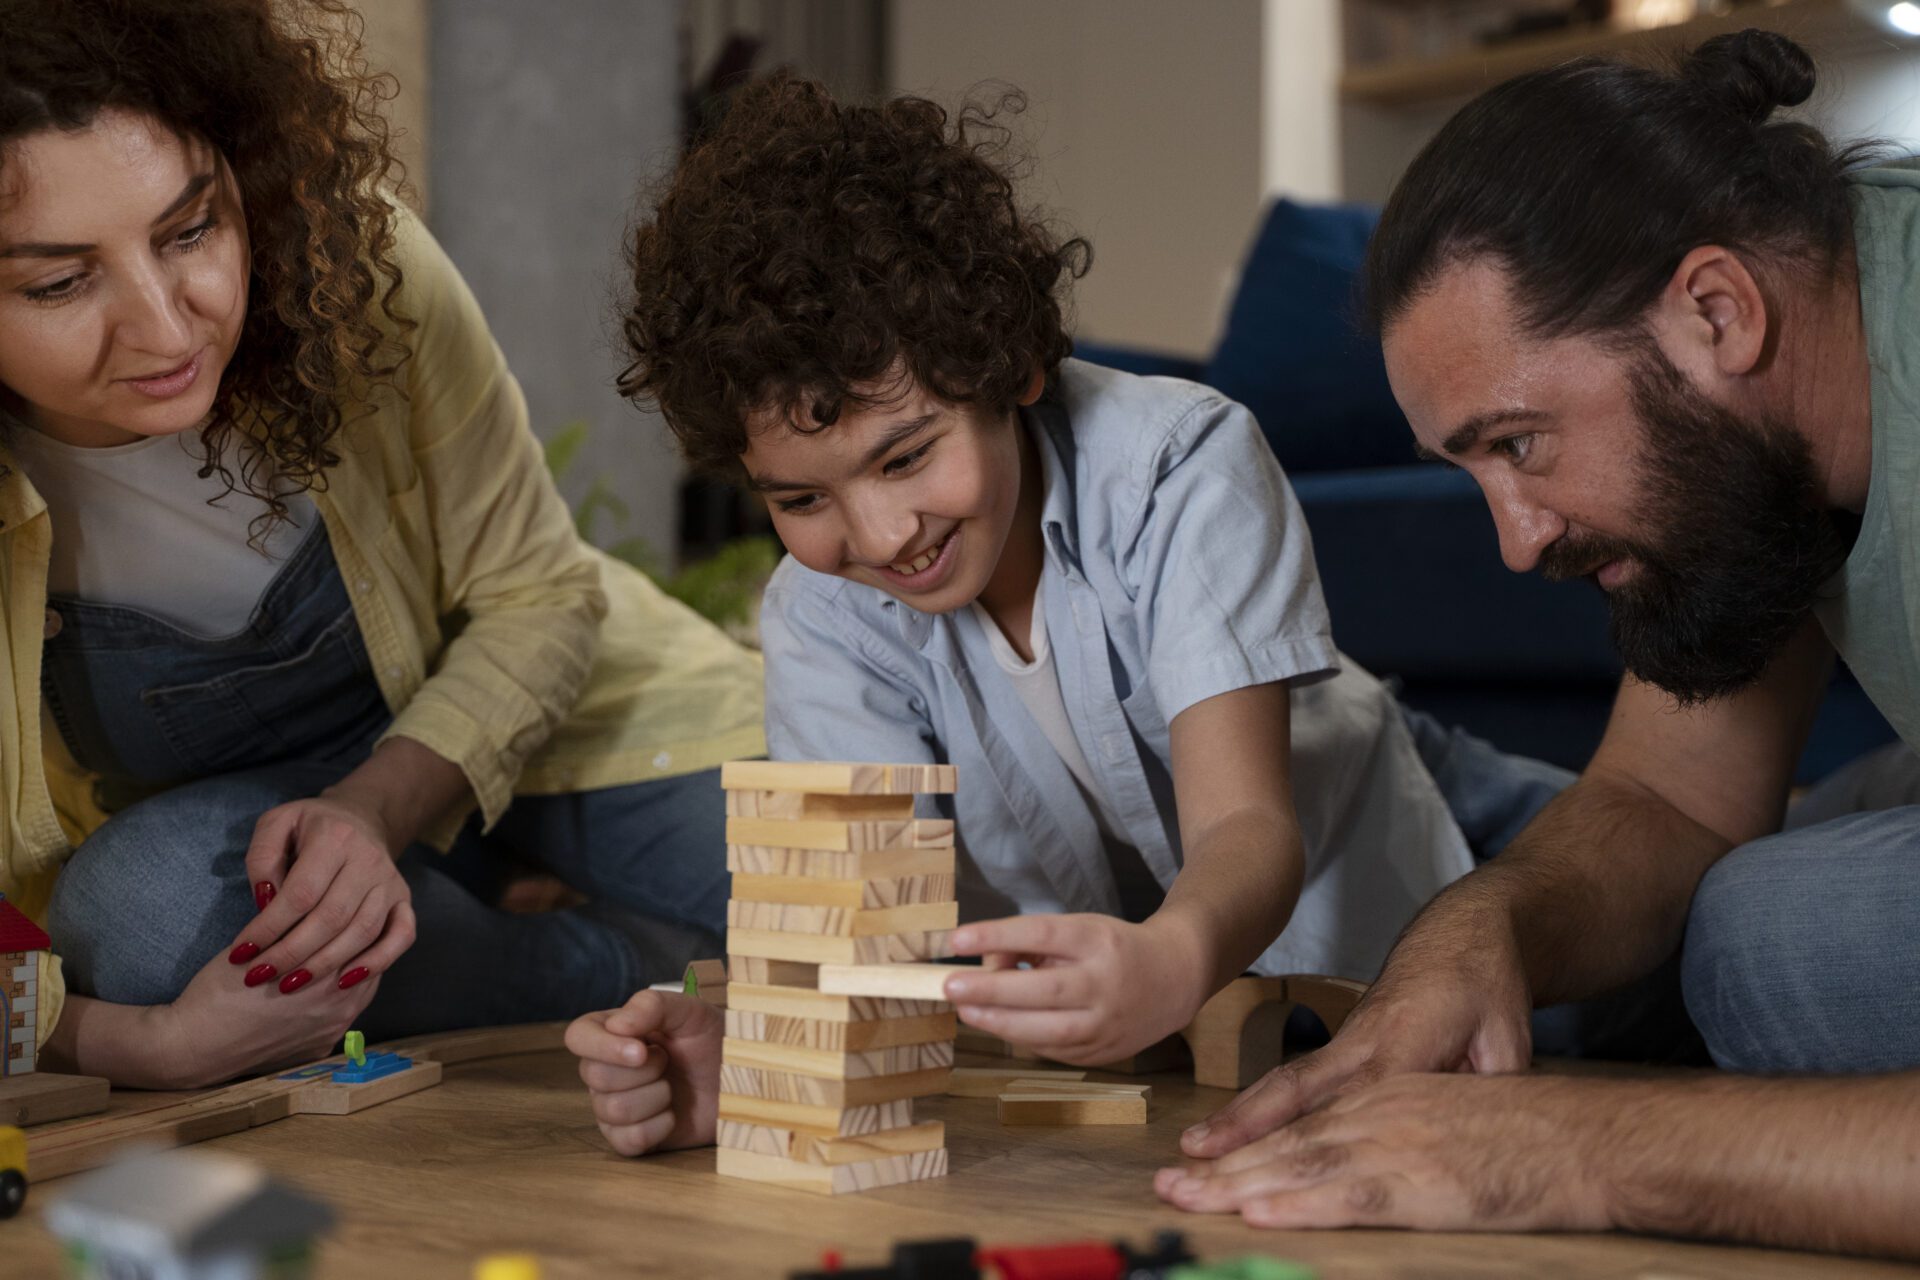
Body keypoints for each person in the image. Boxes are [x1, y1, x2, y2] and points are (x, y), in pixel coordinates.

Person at [568, 74, 1621, 1156]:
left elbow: (1243, 826)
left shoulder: (1177, 464)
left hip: (1405, 816)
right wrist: (755, 1068)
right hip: (1207, 975)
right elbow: (858, 928)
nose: (879, 533)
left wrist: (1170, 957)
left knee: (1673, 949)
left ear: (1010, 364)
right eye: (802, 498)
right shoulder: (820, 613)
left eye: (908, 454)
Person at [1157, 31, 1920, 1259]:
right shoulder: (1791, 402)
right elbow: (1673, 792)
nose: (1515, 542)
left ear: (1717, 310)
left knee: (1788, 941)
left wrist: (1572, 1146)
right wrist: (1478, 928)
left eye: (1518, 441)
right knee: (1758, 922)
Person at [0, 0, 763, 1091]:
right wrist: (142, 1043)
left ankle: (485, 907)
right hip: (245, 836)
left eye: (192, 230)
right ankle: (603, 965)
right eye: (60, 282)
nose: (169, 329)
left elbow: (538, 593)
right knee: (142, 931)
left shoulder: (349, 265)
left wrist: (371, 809)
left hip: (550, 719)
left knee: (874, 898)